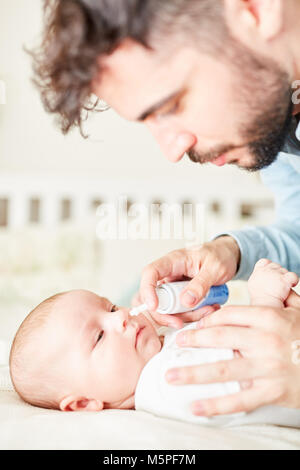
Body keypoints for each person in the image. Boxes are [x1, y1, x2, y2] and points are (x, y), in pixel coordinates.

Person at [31, 1, 300, 417]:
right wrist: (230, 252)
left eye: (170, 106)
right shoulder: (279, 119)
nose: (172, 150)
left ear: (256, 9)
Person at [9, 259, 300, 427]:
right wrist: (266, 299)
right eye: (98, 337)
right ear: (84, 402)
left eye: (110, 308)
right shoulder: (163, 384)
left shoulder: (160, 354)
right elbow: (258, 368)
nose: (120, 318)